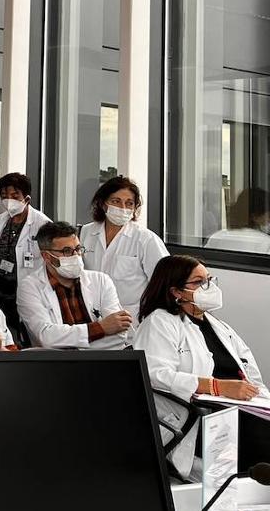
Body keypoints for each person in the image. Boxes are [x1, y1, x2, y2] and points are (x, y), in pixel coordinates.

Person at [134, 255, 269, 473]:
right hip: (197, 416)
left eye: (209, 280)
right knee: (260, 434)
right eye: (199, 282)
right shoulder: (160, 322)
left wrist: (260, 398)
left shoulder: (217, 325)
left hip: (239, 405)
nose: (209, 287)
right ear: (176, 291)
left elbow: (248, 368)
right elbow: (154, 374)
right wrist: (217, 386)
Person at [17, 221, 132, 350]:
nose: (76, 256)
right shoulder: (30, 287)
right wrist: (101, 328)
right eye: (67, 251)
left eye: (78, 249)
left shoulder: (101, 281)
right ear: (46, 256)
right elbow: (47, 338)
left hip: (102, 360)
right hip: (55, 363)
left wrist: (69, 346)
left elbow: (119, 334)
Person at [80, 175, 169, 317]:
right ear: (103, 204)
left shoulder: (146, 239)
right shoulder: (86, 232)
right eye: (116, 201)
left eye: (129, 203)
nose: (123, 208)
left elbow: (164, 282)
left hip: (132, 318)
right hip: (91, 313)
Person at [0, 172, 51, 341]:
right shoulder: (2, 219)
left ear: (26, 198)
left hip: (23, 288)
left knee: (26, 335)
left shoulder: (42, 224)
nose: (9, 200)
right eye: (4, 196)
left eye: (15, 196)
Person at [206, 187, 270, 254]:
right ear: (255, 216)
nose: (269, 220)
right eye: (269, 215)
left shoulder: (217, 237)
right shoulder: (265, 242)